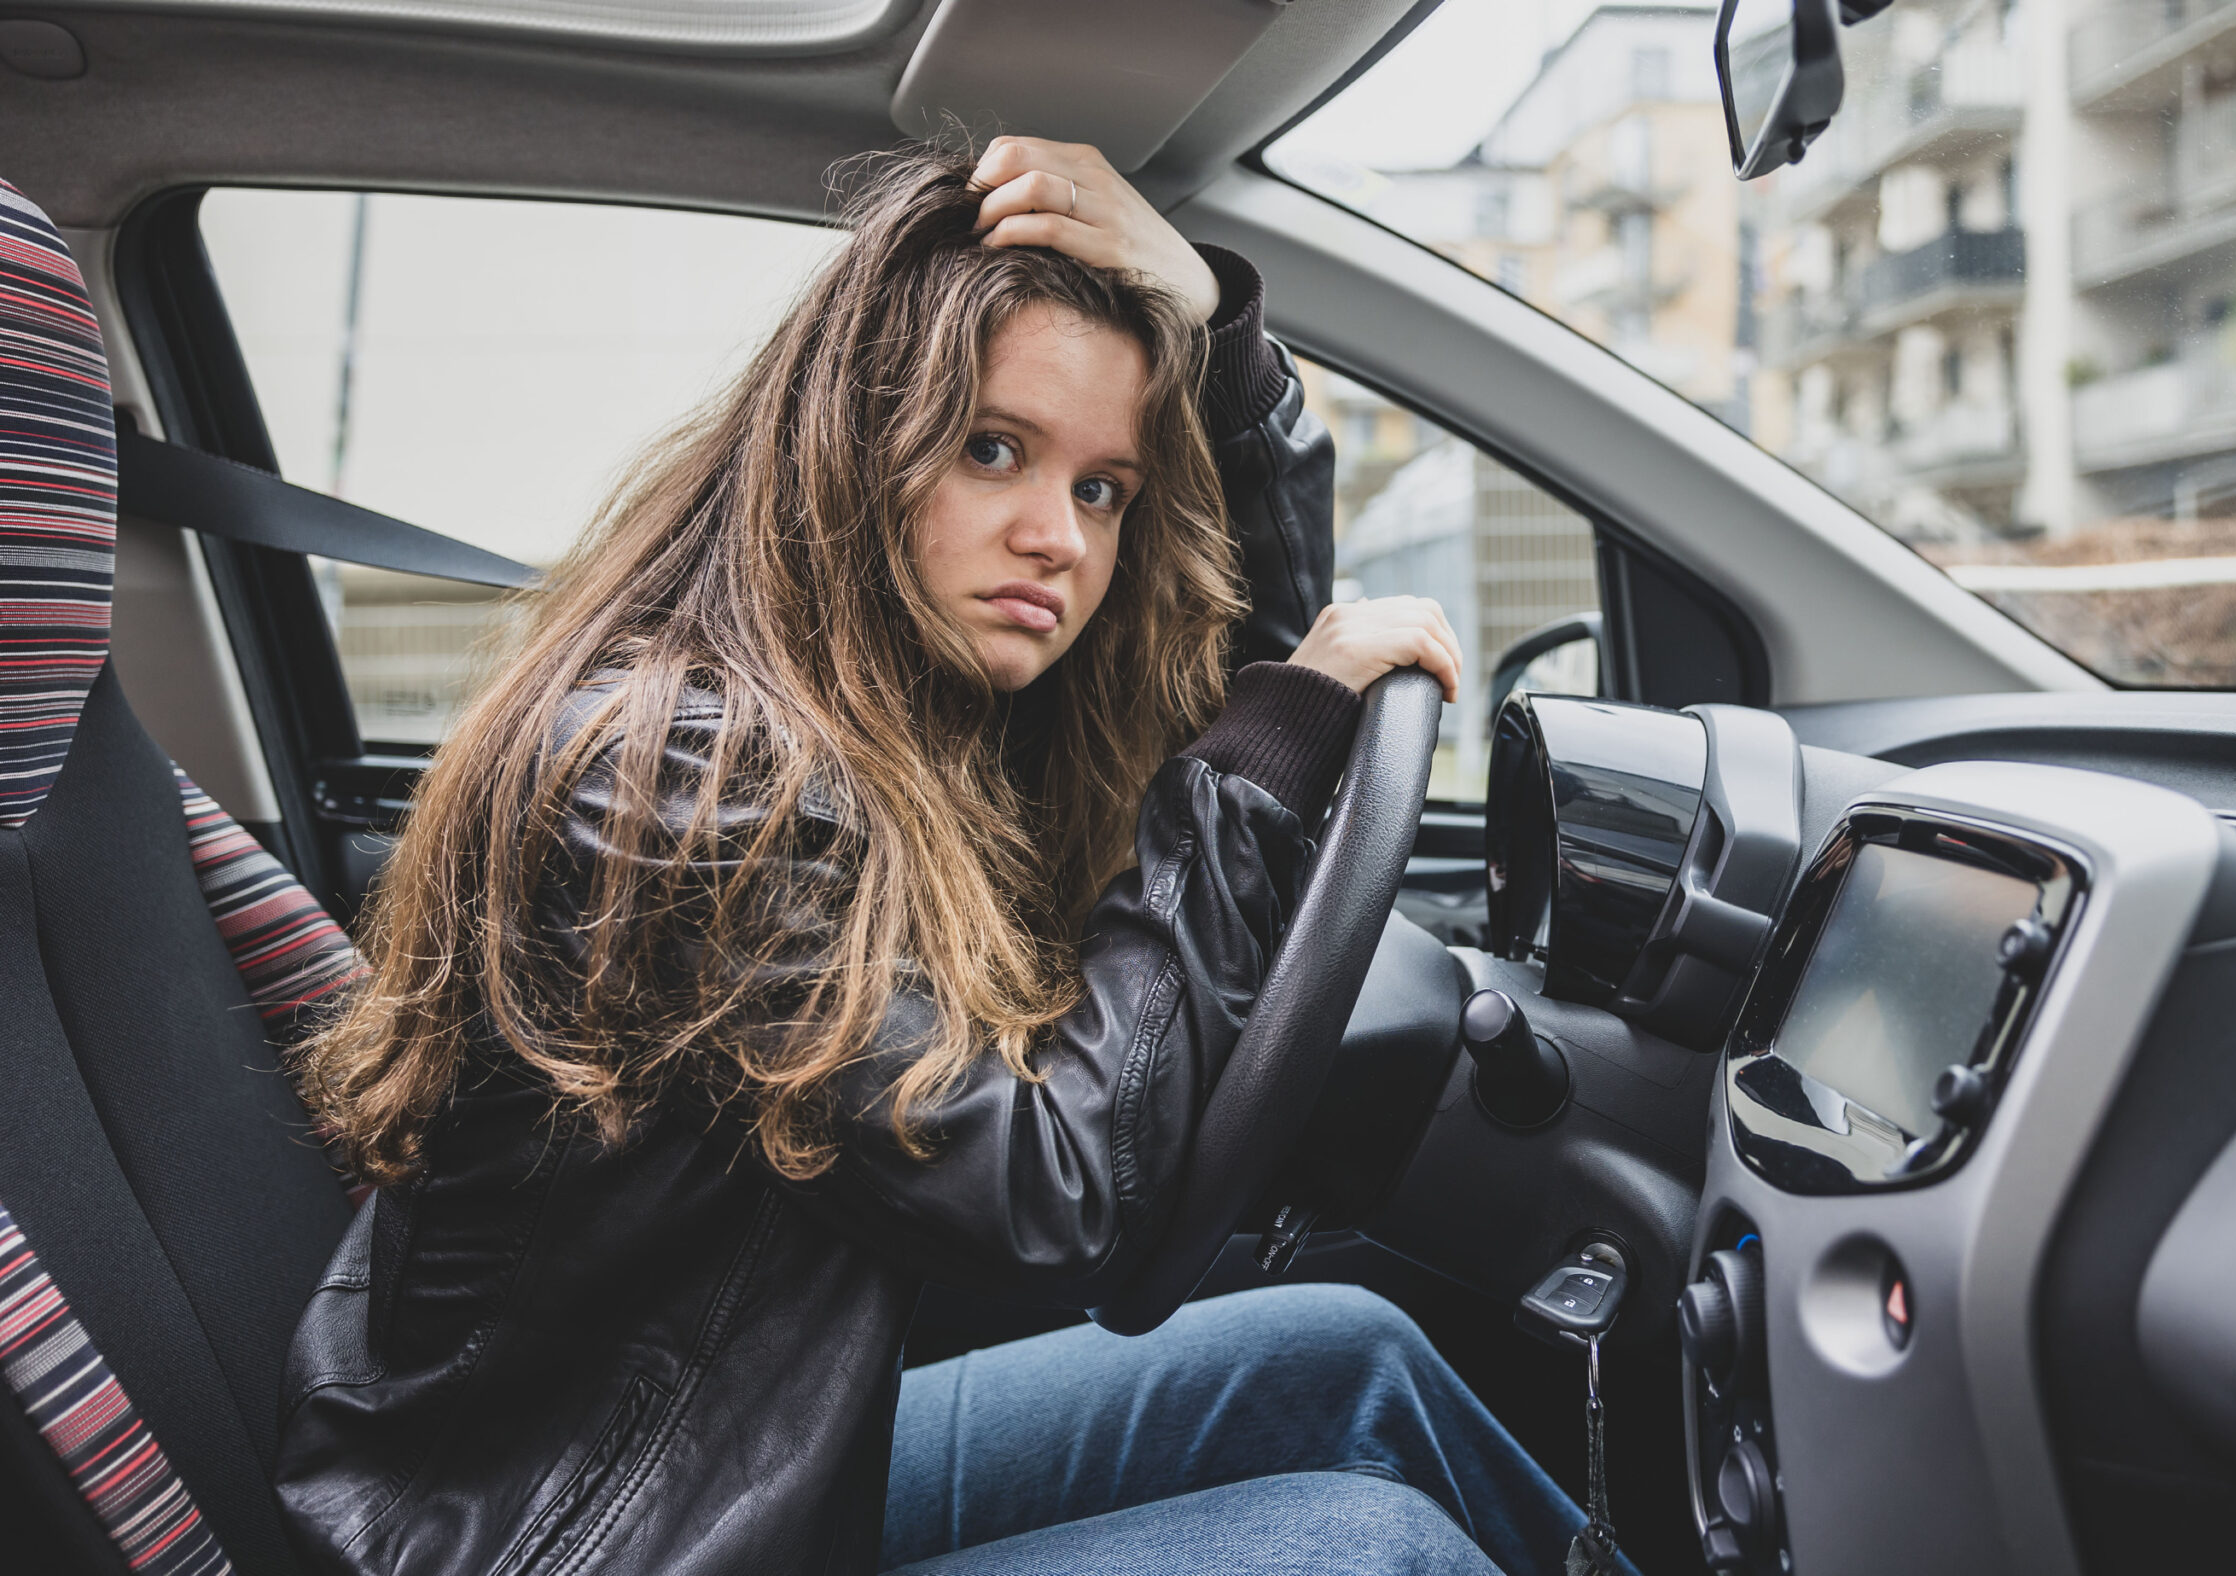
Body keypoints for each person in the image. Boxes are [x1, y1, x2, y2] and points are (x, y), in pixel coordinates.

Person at [273, 138, 1614, 1576]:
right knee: (1369, 1553)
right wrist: (1262, 756)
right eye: (994, 449)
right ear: (857, 446)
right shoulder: (683, 779)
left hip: (717, 1463)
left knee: (1350, 1360)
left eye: (1105, 489)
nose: (1060, 540)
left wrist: (1219, 349)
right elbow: (1056, 1193)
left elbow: (1226, 667)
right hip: (574, 1539)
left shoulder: (903, 714)